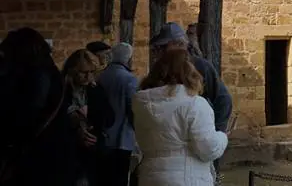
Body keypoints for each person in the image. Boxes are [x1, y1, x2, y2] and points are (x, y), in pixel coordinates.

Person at [150, 23, 232, 181]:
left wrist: (216, 131)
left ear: (178, 45)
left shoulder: (200, 66)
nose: (158, 52)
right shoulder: (161, 68)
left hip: (198, 144)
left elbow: (223, 99)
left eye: (163, 47)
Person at [133, 49, 228, 186]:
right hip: (187, 177)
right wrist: (222, 137)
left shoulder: (142, 104)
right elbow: (208, 148)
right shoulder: (194, 104)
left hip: (150, 176)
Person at [0, 28, 74, 186]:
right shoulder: (48, 71)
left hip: (37, 155)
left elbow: (28, 113)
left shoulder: (37, 75)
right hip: (48, 154)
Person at [62, 49, 116, 186]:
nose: (88, 76)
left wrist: (94, 127)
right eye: (83, 72)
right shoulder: (61, 90)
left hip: (93, 153)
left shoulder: (96, 90)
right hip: (67, 154)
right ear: (73, 71)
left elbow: (110, 118)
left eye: (91, 72)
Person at [98, 43, 139, 186]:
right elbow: (133, 109)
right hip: (122, 138)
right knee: (119, 179)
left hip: (101, 137)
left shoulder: (100, 76)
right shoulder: (129, 79)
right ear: (128, 59)